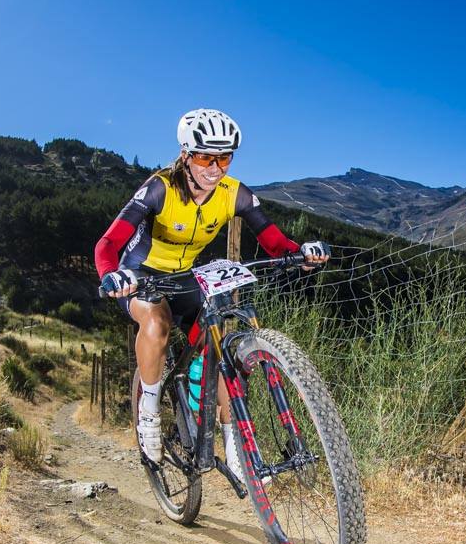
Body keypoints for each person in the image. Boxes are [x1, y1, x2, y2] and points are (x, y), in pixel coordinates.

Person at [94, 109, 329, 478]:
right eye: (205, 156)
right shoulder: (160, 188)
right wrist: (112, 275)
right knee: (157, 324)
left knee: (218, 345)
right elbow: (108, 243)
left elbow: (272, 239)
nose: (215, 167)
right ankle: (150, 412)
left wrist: (300, 253)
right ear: (186, 155)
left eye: (224, 157)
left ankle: (234, 442)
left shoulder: (233, 194)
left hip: (185, 276)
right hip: (141, 276)